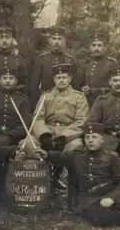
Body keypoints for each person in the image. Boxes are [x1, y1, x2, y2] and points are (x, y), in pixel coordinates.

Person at [33, 63, 89, 191]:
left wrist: (65, 136)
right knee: (30, 145)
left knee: (76, 149)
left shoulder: (79, 97)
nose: (62, 80)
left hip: (70, 132)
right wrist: (44, 135)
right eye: (58, 77)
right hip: (48, 130)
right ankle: (37, 184)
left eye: (64, 77)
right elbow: (38, 117)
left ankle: (73, 188)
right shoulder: (46, 96)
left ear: (70, 79)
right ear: (54, 79)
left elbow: (81, 120)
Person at [0, 68, 31, 190]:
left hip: (14, 138)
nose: (8, 81)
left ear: (16, 81)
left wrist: (10, 135)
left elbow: (26, 123)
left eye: (11, 78)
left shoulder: (23, 99)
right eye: (4, 78)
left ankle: (12, 185)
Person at [29, 25, 81, 108]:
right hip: (46, 100)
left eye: (59, 39)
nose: (56, 42)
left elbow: (76, 85)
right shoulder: (41, 59)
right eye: (54, 39)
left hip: (66, 101)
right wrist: (36, 104)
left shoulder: (71, 60)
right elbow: (34, 85)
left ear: (64, 41)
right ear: (49, 40)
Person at [80, 30, 118, 105]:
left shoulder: (111, 64)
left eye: (99, 45)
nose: (96, 48)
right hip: (88, 103)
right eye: (94, 45)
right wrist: (83, 88)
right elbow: (81, 83)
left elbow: (116, 87)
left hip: (106, 102)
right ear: (90, 47)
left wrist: (93, 90)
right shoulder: (86, 64)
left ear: (105, 47)